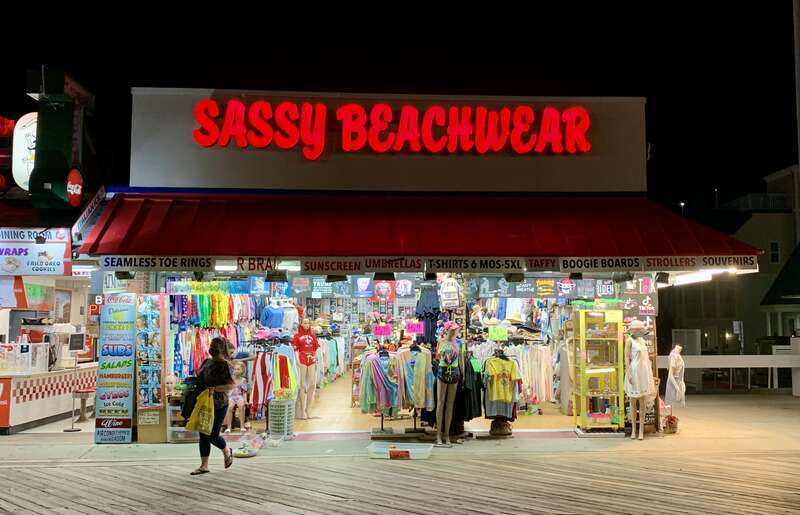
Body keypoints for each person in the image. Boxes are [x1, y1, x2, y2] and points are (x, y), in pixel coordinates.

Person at [191, 337, 235, 475]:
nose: (211, 348)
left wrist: (214, 389)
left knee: (213, 435)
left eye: (214, 345)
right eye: (211, 345)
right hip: (204, 402)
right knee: (203, 433)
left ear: (221, 348)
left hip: (219, 403)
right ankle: (204, 465)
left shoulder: (226, 365)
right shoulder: (206, 362)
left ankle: (226, 450)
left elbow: (231, 385)